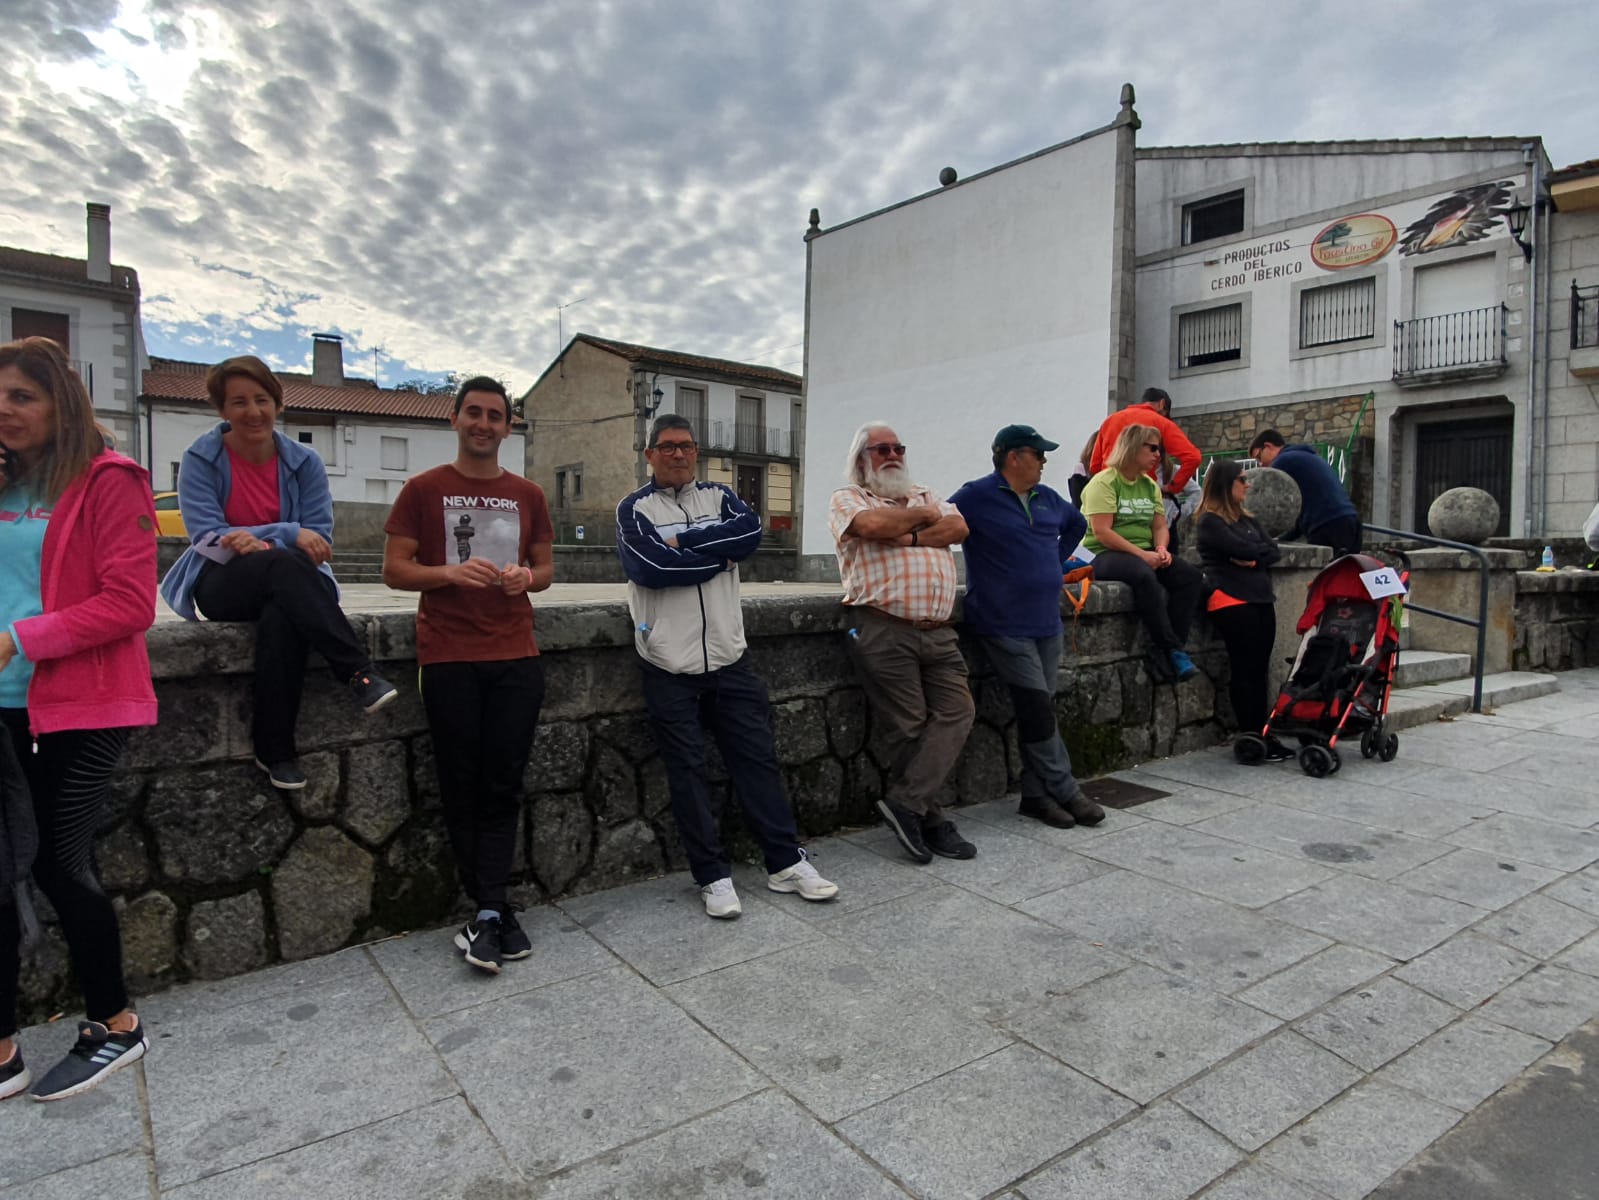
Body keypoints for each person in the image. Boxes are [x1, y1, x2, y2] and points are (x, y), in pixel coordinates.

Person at [0, 337, 158, 1102]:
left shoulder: (108, 481)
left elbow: (131, 603)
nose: (4, 411)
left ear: (59, 404)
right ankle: (4, 1047)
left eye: (21, 397)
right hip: (5, 703)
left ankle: (116, 1023)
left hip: (82, 703)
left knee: (63, 863)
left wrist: (20, 638)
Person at [617, 415, 837, 918]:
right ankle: (712, 875)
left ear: (696, 453)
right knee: (687, 770)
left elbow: (751, 534)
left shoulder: (721, 497)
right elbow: (650, 568)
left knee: (756, 760)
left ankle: (784, 862)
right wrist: (719, 556)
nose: (678, 455)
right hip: (667, 662)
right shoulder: (634, 508)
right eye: (668, 447)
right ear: (650, 455)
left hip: (729, 658)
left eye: (686, 447)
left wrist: (685, 545)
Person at [160, 356, 396, 791]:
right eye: (239, 402)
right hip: (222, 579)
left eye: (262, 399)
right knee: (285, 563)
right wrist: (283, 534)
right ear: (222, 411)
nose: (253, 411)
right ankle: (358, 672)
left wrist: (262, 541)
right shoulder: (200, 458)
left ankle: (275, 752)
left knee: (283, 613)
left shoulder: (304, 462)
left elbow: (319, 539)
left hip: (289, 580)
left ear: (278, 403)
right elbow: (207, 537)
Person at [383, 377, 554, 973]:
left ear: (509, 427)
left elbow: (545, 566)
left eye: (495, 415)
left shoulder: (528, 493)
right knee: (462, 783)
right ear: (454, 419)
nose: (484, 423)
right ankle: (489, 907)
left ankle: (490, 906)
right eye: (473, 413)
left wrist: (525, 580)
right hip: (449, 656)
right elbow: (394, 571)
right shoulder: (423, 489)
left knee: (503, 782)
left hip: (516, 655)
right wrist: (449, 576)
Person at [829, 422, 978, 863]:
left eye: (897, 448)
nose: (892, 455)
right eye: (881, 449)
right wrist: (923, 518)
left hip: (939, 630)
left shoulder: (926, 493)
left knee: (959, 710)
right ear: (862, 459)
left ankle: (907, 805)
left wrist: (907, 534)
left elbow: (959, 529)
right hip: (882, 626)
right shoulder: (849, 498)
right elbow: (871, 524)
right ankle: (931, 820)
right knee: (909, 726)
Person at [952, 425, 1106, 829]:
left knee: (1040, 712)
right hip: (1001, 620)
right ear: (1014, 456)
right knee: (1037, 708)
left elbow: (1077, 525)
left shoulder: (1048, 498)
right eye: (1038, 454)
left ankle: (1036, 798)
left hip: (1045, 621)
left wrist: (1052, 564)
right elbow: (943, 524)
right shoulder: (976, 496)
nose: (1044, 461)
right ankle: (1067, 790)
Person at [1081, 424, 1205, 683]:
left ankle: (1167, 648)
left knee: (1190, 577)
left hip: (1143, 550)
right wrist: (1142, 555)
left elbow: (1160, 525)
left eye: (1159, 449)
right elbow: (1102, 532)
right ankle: (1172, 650)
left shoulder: (1149, 485)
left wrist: (1161, 548)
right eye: (1152, 448)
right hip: (1103, 553)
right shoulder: (1103, 483)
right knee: (1143, 575)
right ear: (1132, 447)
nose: (1158, 454)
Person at [1193, 460, 1291, 762]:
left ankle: (1262, 731)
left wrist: (1251, 558)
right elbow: (1249, 550)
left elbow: (1271, 551)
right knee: (1245, 668)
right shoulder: (1210, 521)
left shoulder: (1246, 519)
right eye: (1241, 480)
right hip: (1232, 599)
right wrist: (1249, 555)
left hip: (1260, 597)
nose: (1247, 485)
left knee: (1259, 668)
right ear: (1225, 484)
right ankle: (1250, 733)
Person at [1248, 430, 1361, 556]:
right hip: (1350, 520)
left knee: (1325, 574)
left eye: (1259, 457)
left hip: (1326, 525)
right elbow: (1301, 515)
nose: (1261, 464)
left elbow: (1265, 498)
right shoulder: (1308, 456)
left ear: (1268, 446)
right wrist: (1283, 538)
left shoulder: (1282, 462)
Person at [1090, 387, 1203, 503]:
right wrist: (1173, 487)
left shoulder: (1110, 421)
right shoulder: (1161, 422)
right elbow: (1193, 457)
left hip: (1109, 493)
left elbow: (1095, 465)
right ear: (1162, 404)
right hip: (1143, 496)